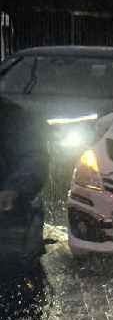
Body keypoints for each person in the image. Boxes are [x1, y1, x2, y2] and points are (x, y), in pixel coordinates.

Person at [0, 96, 48, 276]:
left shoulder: (11, 116)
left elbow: (34, 158)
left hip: (9, 220)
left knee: (16, 279)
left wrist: (13, 189)